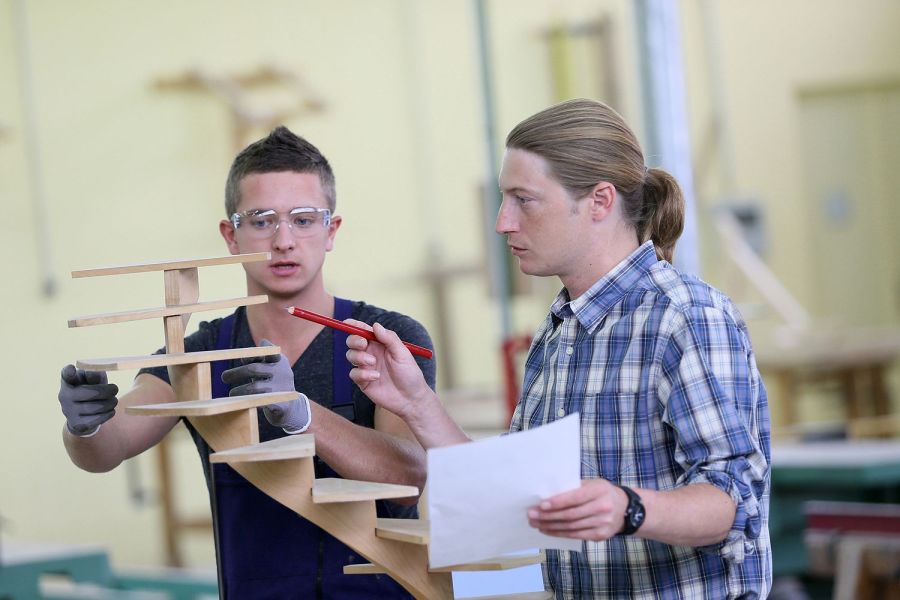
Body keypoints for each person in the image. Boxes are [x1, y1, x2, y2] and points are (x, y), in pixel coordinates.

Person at [345, 98, 771, 599]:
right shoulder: (560, 329)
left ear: (600, 201)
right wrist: (415, 402)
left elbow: (736, 500)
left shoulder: (685, 316)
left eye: (523, 199)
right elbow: (513, 493)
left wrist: (629, 508)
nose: (503, 222)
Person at [57, 126, 434, 599]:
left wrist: (301, 413)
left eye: (303, 219)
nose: (283, 240)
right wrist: (85, 425)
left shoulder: (384, 341)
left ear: (331, 230)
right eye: (261, 220)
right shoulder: (199, 354)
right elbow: (107, 449)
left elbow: (408, 477)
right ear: (230, 236)